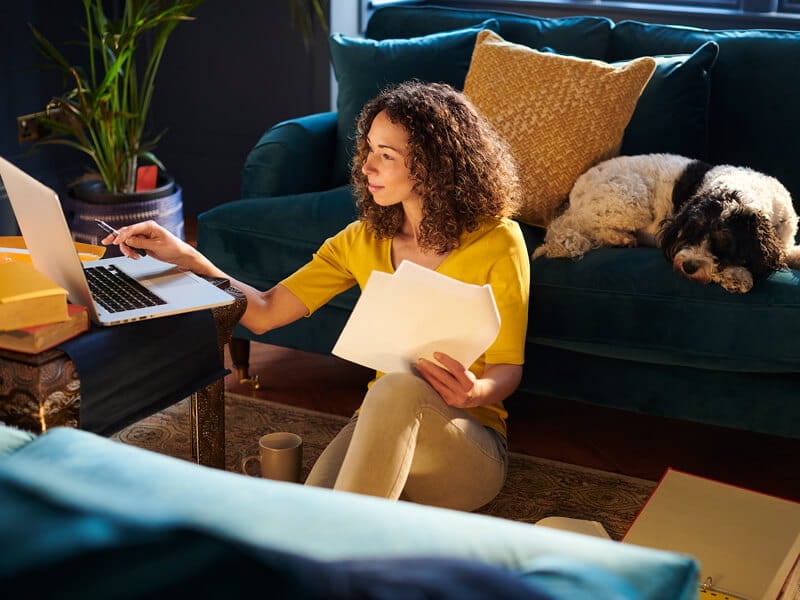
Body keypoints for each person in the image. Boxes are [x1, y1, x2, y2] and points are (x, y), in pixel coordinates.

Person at [103, 80, 530, 512]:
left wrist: (475, 392)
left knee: (398, 389)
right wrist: (187, 257)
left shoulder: (498, 241)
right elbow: (266, 313)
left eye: (386, 155)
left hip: (465, 449)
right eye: (368, 150)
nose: (366, 167)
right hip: (380, 425)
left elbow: (507, 367)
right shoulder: (362, 240)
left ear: (432, 165)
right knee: (307, 514)